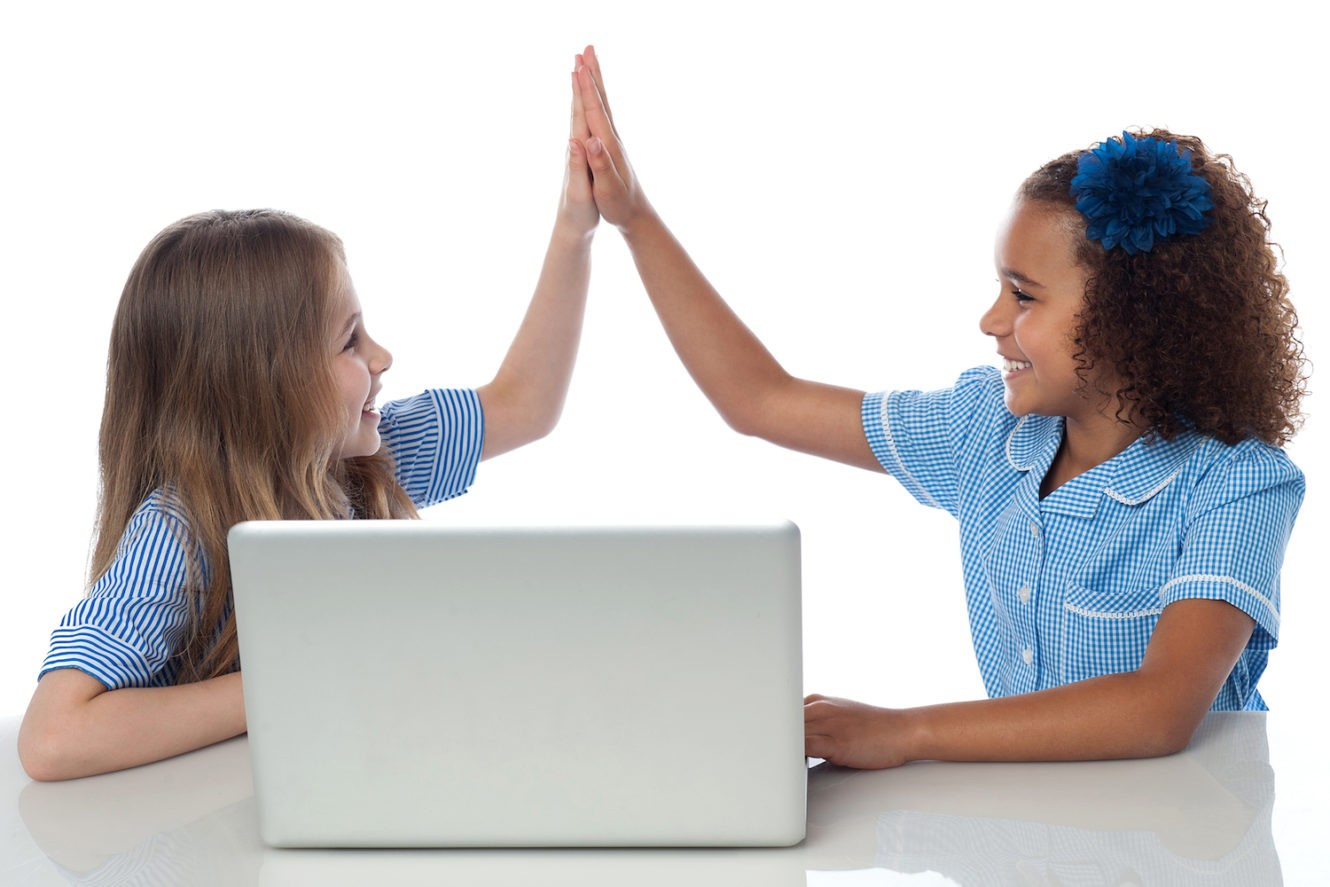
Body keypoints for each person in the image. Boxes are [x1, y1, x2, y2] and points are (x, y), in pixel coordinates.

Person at [570, 46, 1307, 768]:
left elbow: (1159, 707)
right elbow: (760, 397)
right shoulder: (987, 429)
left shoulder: (1239, 484)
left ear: (1129, 316)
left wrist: (904, 732)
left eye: (1022, 295)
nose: (990, 320)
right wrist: (634, 219)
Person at [18, 61, 602, 782]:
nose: (384, 356)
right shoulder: (181, 530)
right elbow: (53, 736)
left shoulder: (367, 457)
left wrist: (576, 229)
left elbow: (525, 404)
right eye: (350, 340)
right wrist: (300, 674)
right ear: (269, 387)